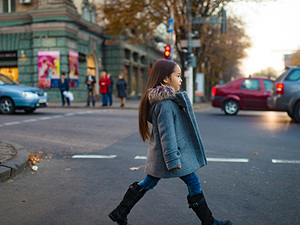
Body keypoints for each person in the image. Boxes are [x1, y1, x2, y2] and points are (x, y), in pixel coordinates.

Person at [108, 59, 232, 225]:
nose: (181, 79)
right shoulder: (165, 105)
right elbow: (167, 135)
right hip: (171, 156)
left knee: (148, 182)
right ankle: (209, 222)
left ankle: (120, 212)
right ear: (166, 79)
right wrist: (173, 159)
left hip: (164, 156)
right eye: (178, 75)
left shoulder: (168, 101)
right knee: (192, 181)